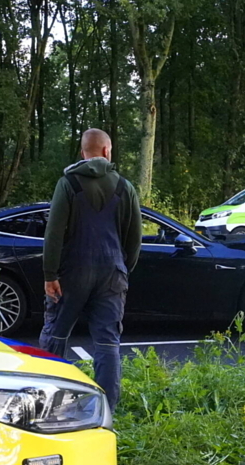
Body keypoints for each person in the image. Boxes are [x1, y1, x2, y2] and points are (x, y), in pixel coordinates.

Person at [40, 128, 142, 412]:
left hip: (72, 271)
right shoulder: (125, 187)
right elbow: (134, 239)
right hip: (112, 272)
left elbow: (54, 232)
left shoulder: (68, 183)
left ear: (82, 152)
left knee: (56, 334)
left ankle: (47, 403)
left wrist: (50, 274)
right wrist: (123, 270)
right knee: (108, 342)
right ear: (107, 151)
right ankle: (106, 409)